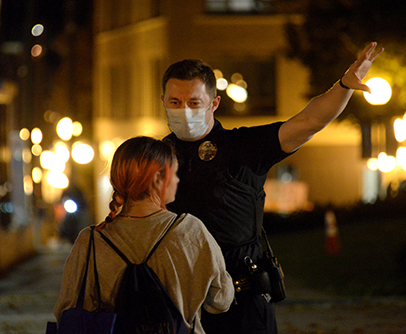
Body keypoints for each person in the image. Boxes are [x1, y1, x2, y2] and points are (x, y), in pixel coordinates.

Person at [161, 42, 383, 334]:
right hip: (177, 305)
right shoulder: (154, 156)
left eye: (194, 102)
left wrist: (343, 86)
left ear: (214, 103)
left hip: (241, 307)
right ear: (163, 101)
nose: (184, 111)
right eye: (174, 102)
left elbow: (309, 122)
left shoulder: (244, 148)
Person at [54, 136, 234, 333]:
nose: (177, 180)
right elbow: (220, 300)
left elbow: (66, 310)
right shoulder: (190, 230)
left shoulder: (90, 241)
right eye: (173, 173)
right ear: (158, 178)